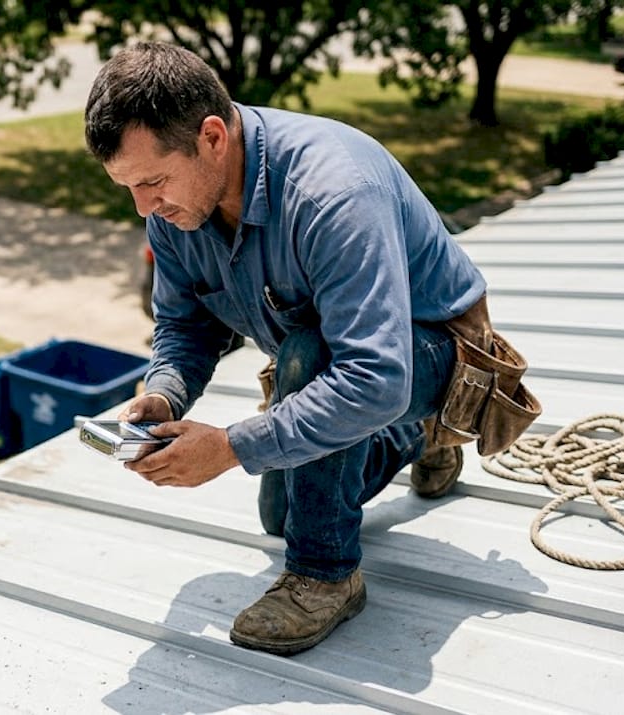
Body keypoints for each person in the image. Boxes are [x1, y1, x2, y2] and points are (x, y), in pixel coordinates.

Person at [84, 41, 490, 656]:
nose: (144, 208)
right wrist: (164, 393)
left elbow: (374, 375)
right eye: (129, 188)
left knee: (310, 355)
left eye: (153, 182)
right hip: (355, 372)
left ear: (213, 138)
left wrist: (227, 448)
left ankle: (326, 577)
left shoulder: (333, 191)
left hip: (439, 358)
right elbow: (184, 325)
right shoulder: (176, 209)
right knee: (284, 515)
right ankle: (415, 436)